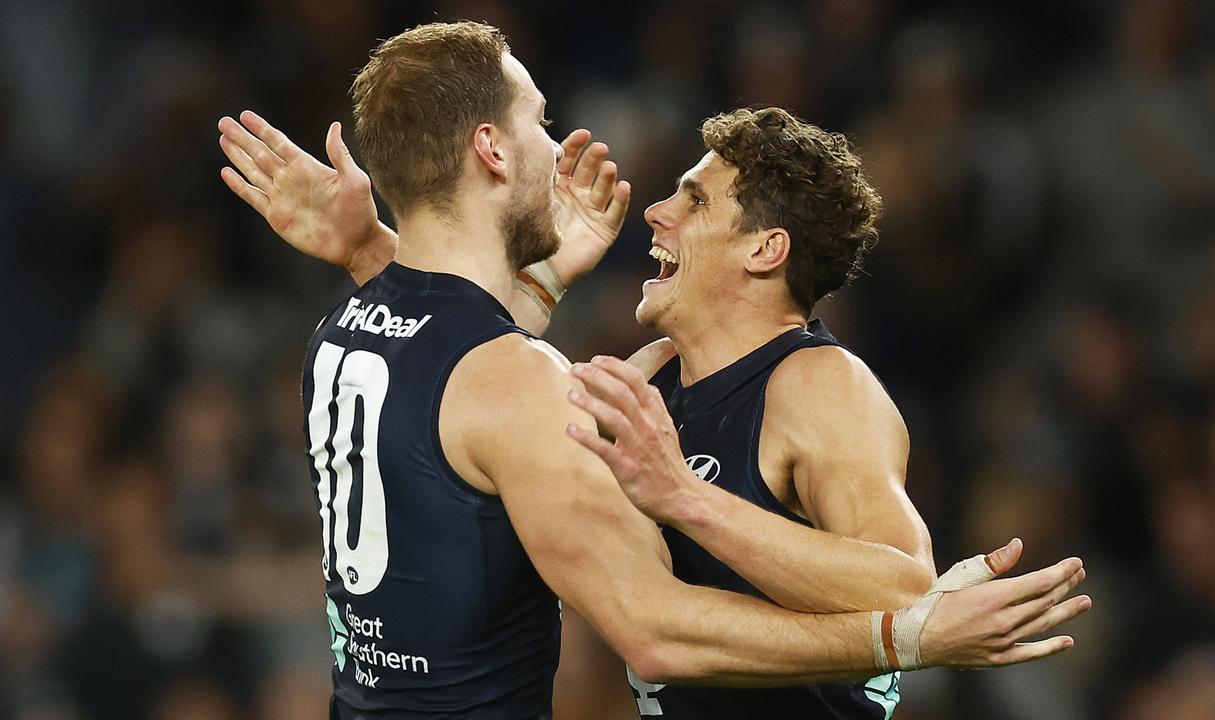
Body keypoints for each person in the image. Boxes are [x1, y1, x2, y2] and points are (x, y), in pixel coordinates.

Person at [217, 21, 1090, 720]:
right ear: (489, 150)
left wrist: (375, 251)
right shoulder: (623, 379)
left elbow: (904, 581)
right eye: (539, 123)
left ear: (764, 249)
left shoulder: (821, 387)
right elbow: (478, 395)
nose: (656, 211)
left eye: (694, 198)